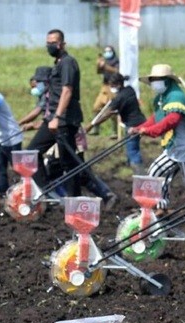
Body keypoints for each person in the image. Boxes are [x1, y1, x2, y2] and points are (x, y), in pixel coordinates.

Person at [26, 29, 116, 206]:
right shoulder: (57, 64)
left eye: (54, 42)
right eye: (48, 42)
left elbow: (67, 91)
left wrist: (57, 117)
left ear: (62, 44)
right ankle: (48, 192)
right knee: (32, 152)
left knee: (70, 163)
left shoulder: (68, 63)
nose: (50, 45)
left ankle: (79, 200)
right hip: (53, 118)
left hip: (65, 120)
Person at [129, 64, 185, 225]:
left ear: (168, 81)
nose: (155, 83)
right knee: (156, 171)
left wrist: (150, 132)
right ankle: (160, 207)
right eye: (153, 80)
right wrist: (140, 128)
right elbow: (157, 118)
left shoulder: (177, 96)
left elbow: (171, 121)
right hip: (174, 146)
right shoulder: (161, 97)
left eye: (158, 80)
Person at [87, 72, 146, 170]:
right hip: (139, 121)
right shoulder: (130, 90)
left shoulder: (119, 98)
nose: (111, 87)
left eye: (112, 85)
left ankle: (140, 173)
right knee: (130, 146)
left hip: (133, 125)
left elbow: (107, 114)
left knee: (133, 150)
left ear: (118, 84)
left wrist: (92, 124)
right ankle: (130, 166)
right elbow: (122, 108)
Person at [89, 45, 120, 137]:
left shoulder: (116, 61)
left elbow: (116, 71)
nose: (107, 53)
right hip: (104, 86)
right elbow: (99, 72)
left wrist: (105, 66)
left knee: (112, 109)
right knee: (96, 107)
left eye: (109, 51)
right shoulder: (105, 61)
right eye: (105, 51)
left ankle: (114, 131)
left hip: (113, 86)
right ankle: (96, 128)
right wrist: (99, 64)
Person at [0, 91, 23, 197]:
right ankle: (3, 195)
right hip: (1, 139)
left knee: (19, 169)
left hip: (12, 138)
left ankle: (26, 193)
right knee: (0, 170)